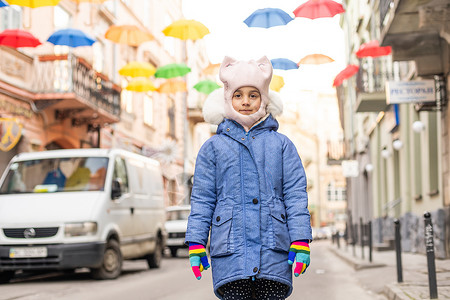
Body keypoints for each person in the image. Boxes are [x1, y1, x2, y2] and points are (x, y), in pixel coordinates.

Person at [185, 56, 312, 300]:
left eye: (253, 95)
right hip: (231, 251)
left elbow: (295, 194)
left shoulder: (282, 145)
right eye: (238, 95)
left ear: (264, 98)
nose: (245, 101)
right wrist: (196, 242)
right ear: (227, 98)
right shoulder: (212, 148)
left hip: (273, 252)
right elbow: (202, 198)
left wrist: (300, 239)